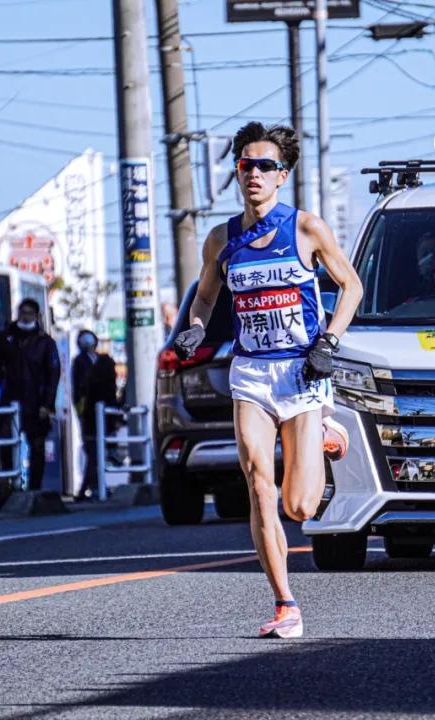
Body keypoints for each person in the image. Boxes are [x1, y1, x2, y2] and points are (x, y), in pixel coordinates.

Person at [173, 121, 363, 639]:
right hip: (252, 372)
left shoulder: (306, 228)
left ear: (283, 175)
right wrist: (193, 329)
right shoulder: (222, 238)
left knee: (298, 505)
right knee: (258, 483)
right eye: (244, 165)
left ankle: (328, 433)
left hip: (301, 371)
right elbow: (206, 296)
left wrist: (328, 343)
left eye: (264, 166)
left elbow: (351, 287)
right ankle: (285, 603)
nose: (253, 173)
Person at [0, 298, 61, 491]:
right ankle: (10, 483)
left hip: (36, 401)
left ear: (36, 316)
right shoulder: (5, 338)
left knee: (37, 445)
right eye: (22, 312)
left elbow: (53, 373)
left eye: (29, 313)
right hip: (10, 398)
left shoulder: (45, 342)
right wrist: (4, 384)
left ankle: (34, 489)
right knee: (5, 442)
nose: (25, 316)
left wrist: (47, 403)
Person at [71, 329, 118, 501]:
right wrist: (81, 410)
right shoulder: (79, 362)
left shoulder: (103, 360)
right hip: (89, 413)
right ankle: (88, 488)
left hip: (103, 411)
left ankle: (92, 487)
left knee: (98, 451)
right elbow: (78, 390)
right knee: (92, 450)